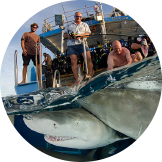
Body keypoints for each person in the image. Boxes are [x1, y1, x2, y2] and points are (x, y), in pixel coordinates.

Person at [64, 12, 93, 85]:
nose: (79, 18)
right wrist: (69, 36)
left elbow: (88, 33)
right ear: (74, 16)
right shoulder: (69, 25)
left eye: (80, 17)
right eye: (77, 16)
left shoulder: (84, 25)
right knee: (73, 61)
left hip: (82, 43)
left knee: (88, 57)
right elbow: (64, 34)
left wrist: (79, 36)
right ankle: (77, 79)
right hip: (71, 45)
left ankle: (89, 74)